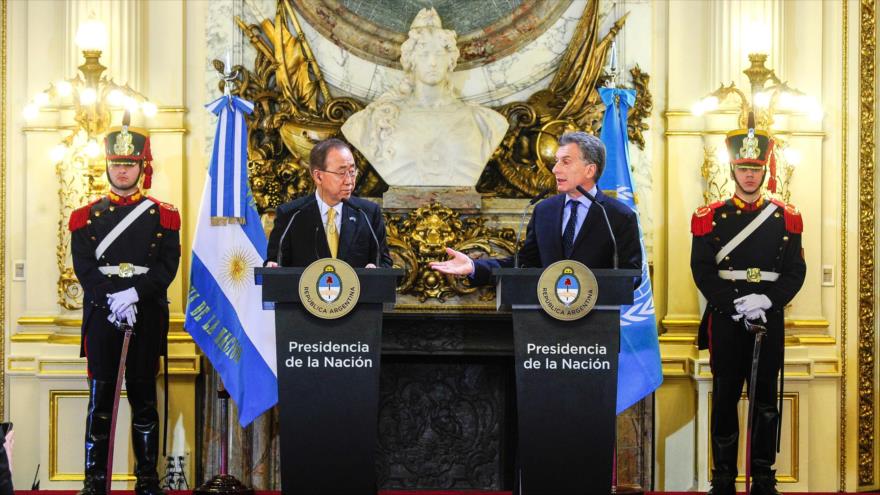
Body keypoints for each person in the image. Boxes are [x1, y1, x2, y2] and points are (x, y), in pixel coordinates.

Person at [690, 114, 805, 495]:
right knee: (724, 398)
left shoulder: (787, 217)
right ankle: (723, 476)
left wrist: (767, 300)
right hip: (727, 319)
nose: (749, 176)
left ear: (765, 169)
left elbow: (795, 273)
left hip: (767, 318)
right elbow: (702, 272)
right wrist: (737, 305)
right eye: (742, 168)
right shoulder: (710, 217)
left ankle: (763, 476)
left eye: (755, 168)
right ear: (733, 168)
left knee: (765, 401)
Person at [69, 114, 181, 495]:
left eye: (129, 164)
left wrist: (134, 294)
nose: (122, 171)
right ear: (107, 166)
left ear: (142, 167)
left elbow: (167, 266)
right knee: (100, 404)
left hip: (146, 314)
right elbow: (84, 268)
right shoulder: (85, 217)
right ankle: (94, 482)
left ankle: (147, 481)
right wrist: (113, 299)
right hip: (103, 317)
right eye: (116, 164)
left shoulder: (164, 215)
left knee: (144, 403)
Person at [430, 131, 641, 281]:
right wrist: (475, 266)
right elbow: (524, 263)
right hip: (544, 327)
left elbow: (631, 277)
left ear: (589, 170)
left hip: (596, 328)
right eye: (556, 162)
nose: (555, 170)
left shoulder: (618, 215)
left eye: (565, 162)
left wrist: (593, 287)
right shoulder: (544, 210)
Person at [341, 8, 508, 187]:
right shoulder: (376, 120)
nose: (432, 62)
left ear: (451, 60)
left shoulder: (485, 122)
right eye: (424, 54)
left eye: (439, 54)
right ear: (411, 61)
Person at [266, 138, 392, 268]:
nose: (349, 180)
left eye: (352, 172)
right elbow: (276, 263)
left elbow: (384, 262)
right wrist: (273, 266)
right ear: (318, 176)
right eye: (342, 172)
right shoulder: (291, 215)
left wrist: (376, 269)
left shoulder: (368, 213)